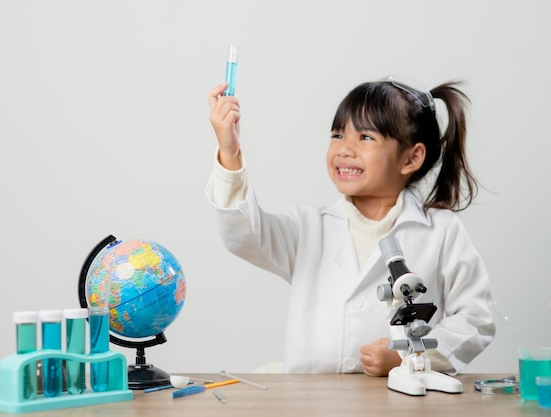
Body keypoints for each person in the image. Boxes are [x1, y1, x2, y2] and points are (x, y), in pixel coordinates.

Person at [205, 76, 495, 376]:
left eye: (365, 138)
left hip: (398, 401)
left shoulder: (441, 231)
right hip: (312, 402)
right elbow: (243, 234)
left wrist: (409, 354)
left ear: (411, 157)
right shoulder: (308, 228)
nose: (344, 149)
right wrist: (229, 153)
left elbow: (475, 319)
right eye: (338, 135)